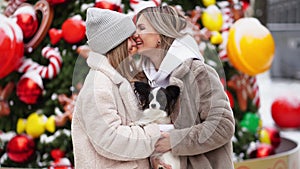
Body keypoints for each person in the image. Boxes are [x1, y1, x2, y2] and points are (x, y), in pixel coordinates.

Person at [133, 5, 235, 169]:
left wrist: (175, 140)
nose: (135, 35)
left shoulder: (198, 73)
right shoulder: (141, 80)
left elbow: (222, 126)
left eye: (141, 28)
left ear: (160, 33)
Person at [71, 8, 162, 169]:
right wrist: (154, 134)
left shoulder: (118, 79)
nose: (134, 43)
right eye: (129, 39)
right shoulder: (98, 85)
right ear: (116, 43)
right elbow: (110, 140)